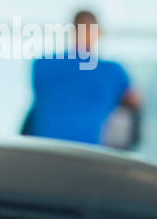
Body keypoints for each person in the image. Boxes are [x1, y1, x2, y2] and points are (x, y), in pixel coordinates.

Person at [22, 9, 142, 148]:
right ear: (99, 33)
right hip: (90, 153)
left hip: (44, 149)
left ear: (73, 31)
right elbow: (135, 102)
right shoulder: (113, 71)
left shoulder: (42, 64)